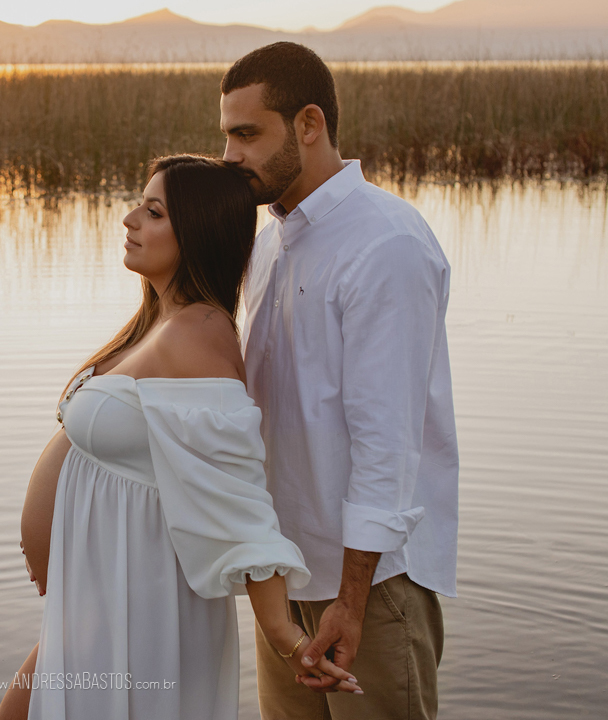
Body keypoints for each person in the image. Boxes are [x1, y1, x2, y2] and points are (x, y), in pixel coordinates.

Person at [0, 155, 361, 720]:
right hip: (99, 601)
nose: (130, 220)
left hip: (140, 605)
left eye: (154, 212)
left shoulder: (199, 334)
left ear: (197, 232)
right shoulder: (158, 323)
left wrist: (285, 635)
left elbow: (239, 497)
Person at [220, 42, 459, 719]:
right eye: (227, 135)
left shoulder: (386, 244)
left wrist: (351, 602)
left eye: (247, 134)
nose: (231, 155)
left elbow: (388, 443)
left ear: (309, 124)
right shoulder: (268, 240)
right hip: (282, 575)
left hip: (372, 585)